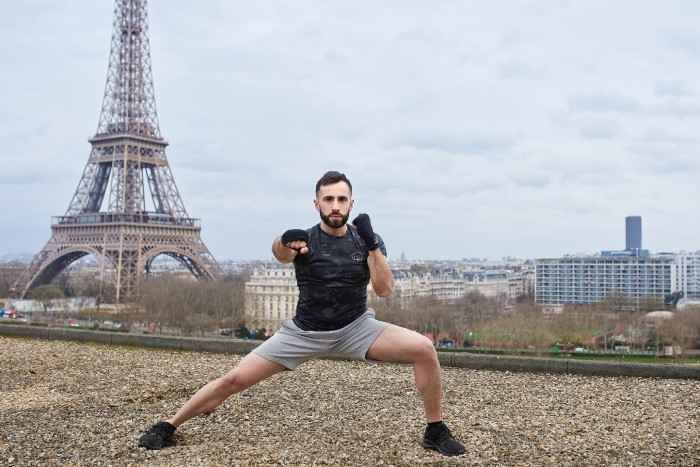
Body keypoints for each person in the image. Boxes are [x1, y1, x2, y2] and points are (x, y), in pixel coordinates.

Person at [138, 170, 465, 457]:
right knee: (233, 379)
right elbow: (280, 254)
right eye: (328, 199)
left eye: (341, 199)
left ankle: (434, 430)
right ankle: (169, 424)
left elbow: (384, 289)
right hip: (303, 333)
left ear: (351, 203)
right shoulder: (304, 240)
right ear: (317, 204)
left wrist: (372, 245)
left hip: (355, 328)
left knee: (424, 349)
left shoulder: (367, 241)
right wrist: (283, 240)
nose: (335, 205)